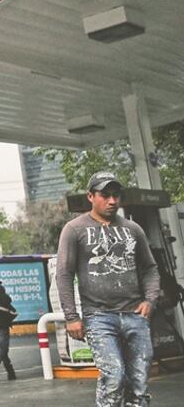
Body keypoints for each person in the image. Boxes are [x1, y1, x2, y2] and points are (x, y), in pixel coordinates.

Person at [56, 172, 159, 406]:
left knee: (140, 382)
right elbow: (63, 274)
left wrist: (150, 300)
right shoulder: (74, 229)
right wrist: (72, 317)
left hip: (135, 315)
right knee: (113, 376)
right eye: (105, 195)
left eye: (116, 195)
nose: (112, 201)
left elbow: (150, 269)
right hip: (99, 317)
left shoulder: (133, 229)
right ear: (91, 196)